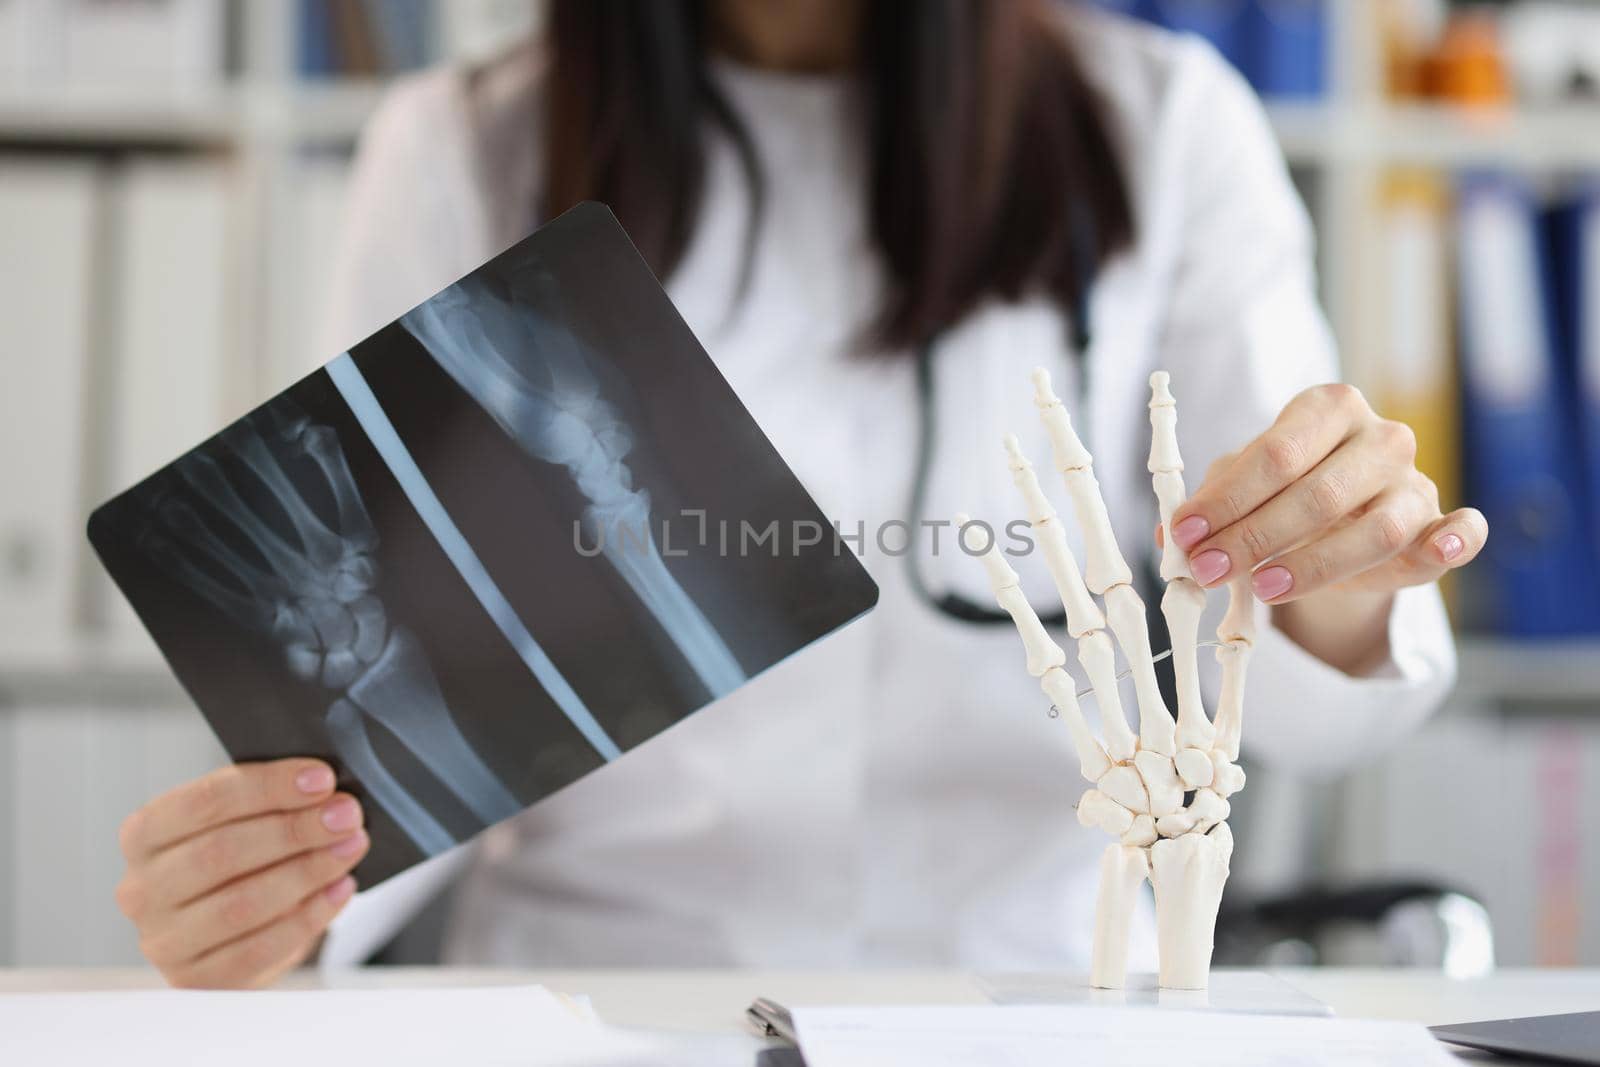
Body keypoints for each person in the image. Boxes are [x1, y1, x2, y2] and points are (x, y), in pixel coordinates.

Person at [115, 0, 1486, 988]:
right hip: (604, 995)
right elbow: (395, 673)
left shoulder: (1166, 127)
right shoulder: (460, 145)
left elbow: (1313, 704)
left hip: (1035, 994)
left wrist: (1339, 569)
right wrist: (278, 901)